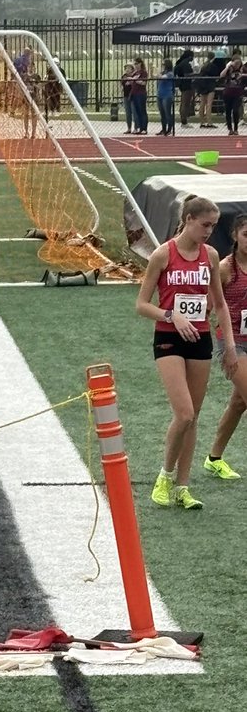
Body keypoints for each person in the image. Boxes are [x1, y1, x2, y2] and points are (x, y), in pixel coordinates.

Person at [136, 194, 238, 511]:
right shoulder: (162, 255)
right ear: (189, 219)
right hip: (168, 339)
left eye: (214, 226)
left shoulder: (210, 256)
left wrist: (230, 345)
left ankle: (183, 486)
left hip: (201, 339)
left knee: (193, 419)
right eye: (205, 224)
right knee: (184, 413)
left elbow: (219, 304)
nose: (209, 231)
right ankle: (164, 477)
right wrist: (171, 315)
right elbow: (141, 304)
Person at [204, 213, 247, 481]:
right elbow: (210, 303)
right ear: (235, 236)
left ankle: (214, 458)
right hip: (232, 340)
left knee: (240, 401)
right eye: (246, 235)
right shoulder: (225, 268)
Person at [195, 51, 226, 128]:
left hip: (202, 86)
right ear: (214, 57)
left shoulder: (203, 65)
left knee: (202, 104)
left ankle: (202, 122)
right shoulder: (213, 66)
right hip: (210, 86)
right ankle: (209, 122)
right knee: (209, 104)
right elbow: (216, 76)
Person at [220, 56, 245, 136]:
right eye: (236, 63)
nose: (237, 65)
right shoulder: (229, 69)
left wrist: (243, 75)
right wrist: (227, 67)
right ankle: (230, 128)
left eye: (239, 63)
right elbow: (221, 75)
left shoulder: (242, 69)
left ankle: (236, 128)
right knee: (228, 111)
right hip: (228, 93)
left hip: (237, 94)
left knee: (235, 110)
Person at [174, 49, 195, 127]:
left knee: (183, 102)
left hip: (182, 85)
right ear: (190, 56)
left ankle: (183, 119)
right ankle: (184, 121)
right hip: (187, 85)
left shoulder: (180, 63)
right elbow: (187, 75)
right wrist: (195, 74)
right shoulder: (186, 64)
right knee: (185, 103)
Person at [129, 56, 149, 135]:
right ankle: (140, 128)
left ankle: (144, 128)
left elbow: (144, 83)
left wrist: (135, 80)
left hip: (141, 94)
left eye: (136, 64)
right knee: (137, 112)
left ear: (140, 63)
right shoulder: (135, 73)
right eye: (134, 64)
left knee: (142, 111)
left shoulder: (143, 72)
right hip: (134, 93)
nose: (135, 65)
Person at [157, 57, 175, 136]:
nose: (162, 65)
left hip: (167, 95)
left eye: (163, 64)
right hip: (160, 95)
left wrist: (157, 71)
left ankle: (169, 129)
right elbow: (156, 76)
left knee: (167, 113)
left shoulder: (170, 73)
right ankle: (163, 129)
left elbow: (162, 77)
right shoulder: (163, 72)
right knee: (162, 113)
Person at [120, 62, 136, 133]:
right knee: (128, 112)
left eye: (129, 68)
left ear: (132, 69)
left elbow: (134, 83)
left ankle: (136, 128)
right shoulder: (124, 76)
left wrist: (130, 81)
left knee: (134, 112)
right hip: (126, 96)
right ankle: (129, 128)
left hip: (133, 96)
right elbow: (123, 84)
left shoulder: (135, 76)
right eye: (126, 68)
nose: (127, 69)